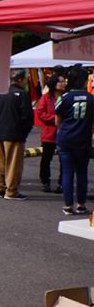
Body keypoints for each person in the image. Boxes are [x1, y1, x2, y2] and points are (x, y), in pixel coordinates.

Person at [55, 66, 94, 215]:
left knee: (67, 172)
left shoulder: (64, 98)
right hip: (83, 139)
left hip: (66, 138)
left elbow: (57, 120)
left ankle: (68, 205)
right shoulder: (91, 98)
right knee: (82, 172)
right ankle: (81, 204)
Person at [0, 70, 35, 200]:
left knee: (0, 163)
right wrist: (24, 132)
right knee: (13, 164)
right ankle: (11, 190)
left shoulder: (2, 93)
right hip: (15, 134)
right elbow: (27, 117)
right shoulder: (23, 94)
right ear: (21, 79)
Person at [36, 74, 65, 193]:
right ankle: (45, 181)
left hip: (64, 133)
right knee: (46, 159)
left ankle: (62, 183)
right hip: (49, 133)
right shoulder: (46, 98)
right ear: (54, 84)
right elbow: (40, 113)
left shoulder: (65, 97)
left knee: (64, 160)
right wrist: (55, 118)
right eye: (61, 81)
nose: (64, 83)